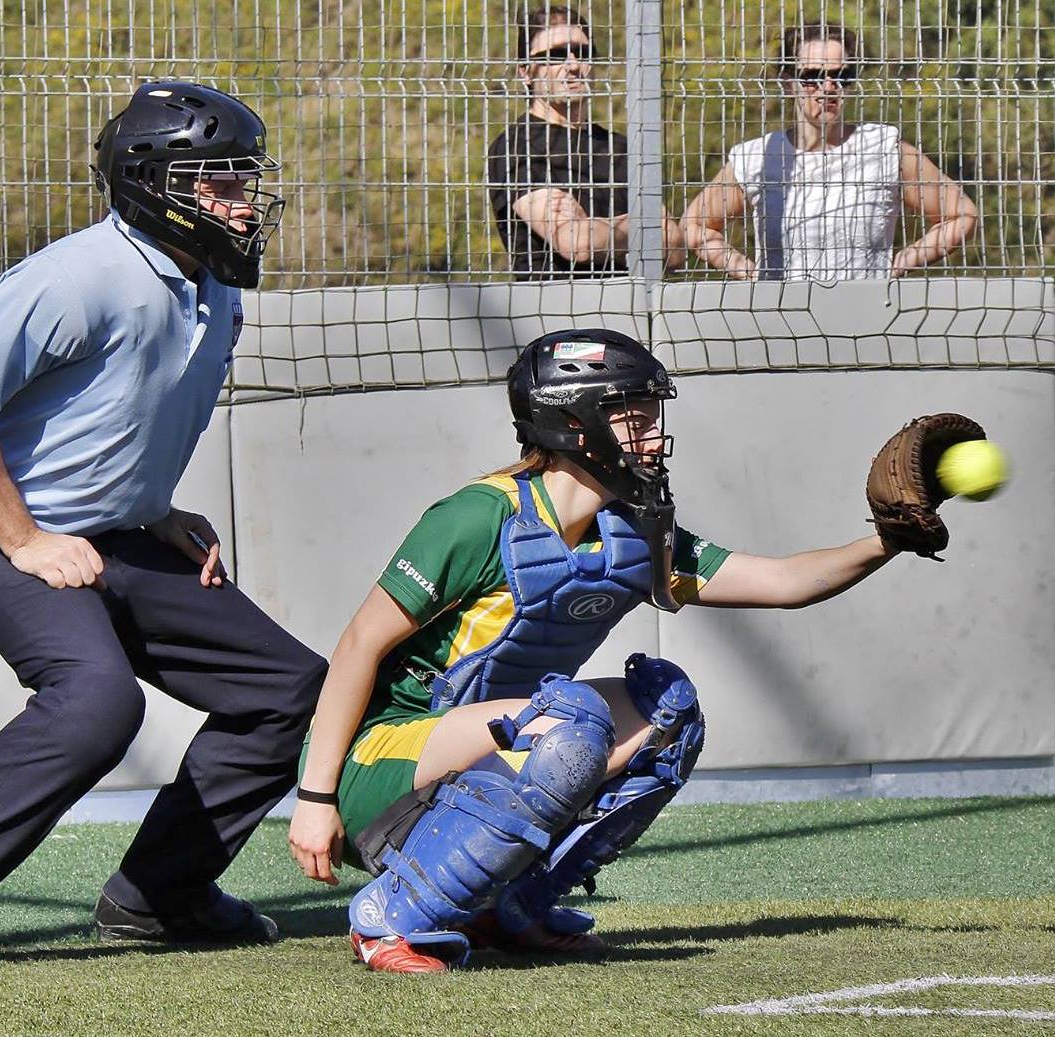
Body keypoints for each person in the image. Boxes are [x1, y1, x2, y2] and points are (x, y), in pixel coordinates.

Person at [288, 327, 913, 975]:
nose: (651, 432)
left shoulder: (631, 529)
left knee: (667, 709)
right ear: (572, 421)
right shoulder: (478, 517)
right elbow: (359, 644)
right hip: (377, 763)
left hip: (509, 747)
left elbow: (784, 583)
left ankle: (511, 907)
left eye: (651, 412)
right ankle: (389, 916)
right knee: (568, 723)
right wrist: (314, 798)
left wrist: (886, 539)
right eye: (631, 414)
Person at [0, 82, 326, 969]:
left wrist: (155, 509)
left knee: (284, 686)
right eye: (217, 180)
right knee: (97, 701)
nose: (241, 197)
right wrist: (28, 540)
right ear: (153, 184)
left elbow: (112, 417)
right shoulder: (76, 276)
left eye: (244, 177)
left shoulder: (213, 281)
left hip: (114, 531)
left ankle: (161, 895)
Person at [683, 24, 978, 280]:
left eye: (842, 76)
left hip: (869, 319)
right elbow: (694, 226)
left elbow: (962, 215)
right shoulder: (759, 157)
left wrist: (899, 265)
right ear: (788, 82)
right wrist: (749, 273)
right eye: (812, 76)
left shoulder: (883, 148)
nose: (828, 87)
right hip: (781, 317)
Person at [487, 4, 687, 278]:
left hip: (631, 311)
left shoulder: (621, 148)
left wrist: (593, 226)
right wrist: (643, 226)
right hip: (552, 312)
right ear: (525, 71)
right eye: (555, 55)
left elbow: (676, 249)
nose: (572, 66)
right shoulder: (517, 145)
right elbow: (575, 243)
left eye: (582, 52)